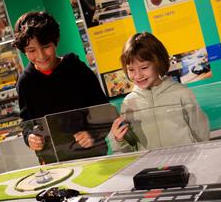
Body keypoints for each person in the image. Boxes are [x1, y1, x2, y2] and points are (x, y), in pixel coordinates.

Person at [13, 11, 109, 162]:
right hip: (53, 161)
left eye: (46, 46)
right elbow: (27, 122)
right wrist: (29, 137)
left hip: (91, 155)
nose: (40, 56)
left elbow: (104, 110)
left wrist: (93, 133)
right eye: (31, 50)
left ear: (56, 40)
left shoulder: (77, 69)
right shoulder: (25, 82)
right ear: (23, 51)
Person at [110, 32, 210, 152]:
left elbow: (201, 132)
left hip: (186, 161)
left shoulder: (182, 93)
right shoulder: (128, 103)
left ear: (158, 63)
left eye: (144, 68)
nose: (137, 75)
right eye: (131, 69)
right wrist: (119, 140)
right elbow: (128, 149)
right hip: (150, 167)